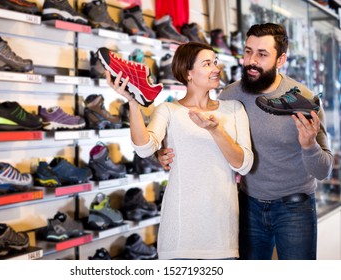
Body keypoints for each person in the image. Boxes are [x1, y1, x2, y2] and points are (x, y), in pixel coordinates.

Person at [158, 23, 334, 260]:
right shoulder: (230, 96)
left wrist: (308, 145)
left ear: (280, 60)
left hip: (295, 208)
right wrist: (161, 153)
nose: (251, 60)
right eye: (248, 51)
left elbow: (324, 170)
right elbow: (202, 137)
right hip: (247, 206)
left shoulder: (304, 100)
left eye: (262, 54)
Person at [105, 41, 254, 259]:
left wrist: (216, 130)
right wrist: (133, 102)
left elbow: (244, 163)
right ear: (188, 72)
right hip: (179, 231)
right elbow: (144, 148)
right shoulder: (168, 110)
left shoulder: (233, 109)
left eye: (215, 62)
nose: (216, 68)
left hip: (221, 232)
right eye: (207, 64)